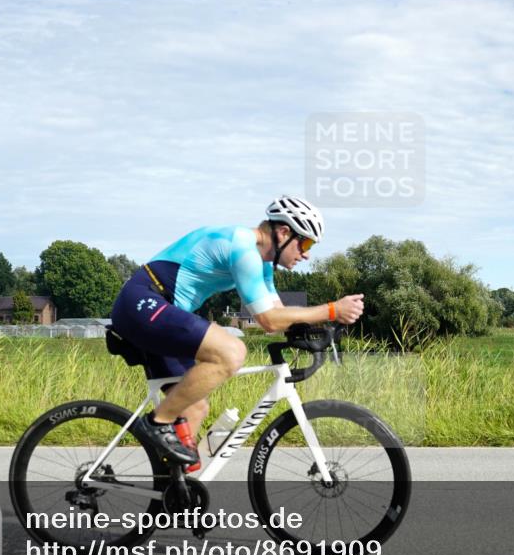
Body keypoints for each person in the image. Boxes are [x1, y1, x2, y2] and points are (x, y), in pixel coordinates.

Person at [109, 195, 365, 466]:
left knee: (195, 407)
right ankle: (156, 422)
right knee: (231, 352)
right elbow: (269, 320)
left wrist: (318, 328)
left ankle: (170, 496)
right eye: (306, 243)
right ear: (283, 233)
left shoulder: (263, 263)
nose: (307, 253)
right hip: (143, 301)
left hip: (163, 312)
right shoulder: (242, 248)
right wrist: (332, 310)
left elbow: (279, 312)